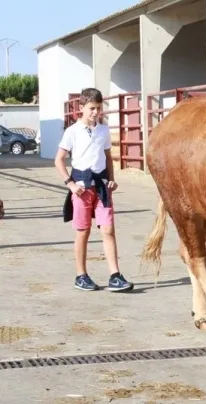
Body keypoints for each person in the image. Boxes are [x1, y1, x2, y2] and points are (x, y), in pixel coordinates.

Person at [55, 87, 134, 292]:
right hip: (81, 189)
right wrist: (70, 184)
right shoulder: (72, 132)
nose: (95, 112)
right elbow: (59, 160)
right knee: (83, 232)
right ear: (81, 107)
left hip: (101, 188)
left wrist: (112, 179)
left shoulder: (103, 131)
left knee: (108, 229)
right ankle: (81, 275)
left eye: (98, 108)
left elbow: (107, 158)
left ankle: (115, 275)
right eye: (91, 108)